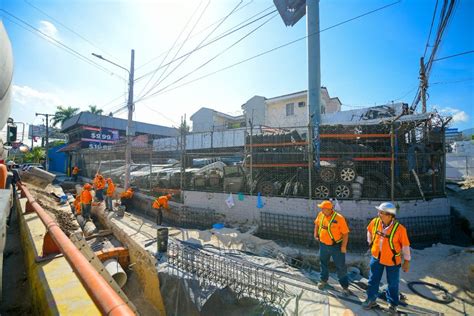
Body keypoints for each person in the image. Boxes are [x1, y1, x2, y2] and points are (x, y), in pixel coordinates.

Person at [362, 202, 411, 315]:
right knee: (373, 280)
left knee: (393, 283)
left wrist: (406, 261)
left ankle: (392, 305)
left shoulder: (400, 229)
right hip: (376, 258)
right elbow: (369, 230)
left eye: (381, 212)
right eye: (379, 211)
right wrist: (370, 243)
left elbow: (405, 246)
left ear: (390, 215)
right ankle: (371, 300)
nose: (378, 214)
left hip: (392, 261)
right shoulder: (375, 222)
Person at [314, 200, 351, 295]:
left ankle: (345, 287)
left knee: (340, 266)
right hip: (323, 245)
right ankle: (323, 280)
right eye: (321, 208)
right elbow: (317, 224)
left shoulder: (339, 218)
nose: (321, 209)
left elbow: (345, 234)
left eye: (323, 208)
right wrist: (315, 234)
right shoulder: (321, 214)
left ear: (329, 209)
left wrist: (343, 247)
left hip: (336, 247)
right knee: (323, 263)